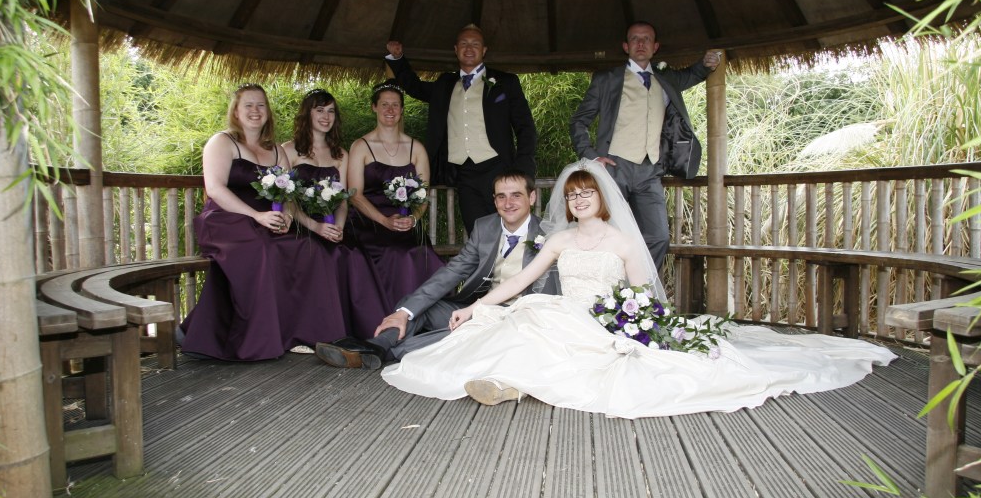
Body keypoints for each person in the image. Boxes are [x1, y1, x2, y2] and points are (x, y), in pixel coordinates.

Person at [381, 159, 897, 419]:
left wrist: (635, 325)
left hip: (606, 319)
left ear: (602, 201)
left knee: (552, 331)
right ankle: (505, 379)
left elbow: (644, 297)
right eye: (573, 195)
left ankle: (512, 384)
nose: (580, 201)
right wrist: (476, 309)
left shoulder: (627, 244)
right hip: (564, 312)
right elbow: (519, 279)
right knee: (525, 315)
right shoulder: (557, 240)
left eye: (587, 195)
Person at [315, 169, 559, 369]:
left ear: (532, 197)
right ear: (494, 200)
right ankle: (378, 344)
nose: (508, 203)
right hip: (474, 309)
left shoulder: (549, 235)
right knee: (415, 304)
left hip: (516, 321)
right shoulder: (485, 227)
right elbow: (451, 272)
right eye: (501, 196)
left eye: (516, 195)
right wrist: (404, 312)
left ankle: (377, 351)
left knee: (465, 333)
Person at [180, 83, 348, 361]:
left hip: (268, 219)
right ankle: (254, 338)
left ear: (268, 112)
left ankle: (299, 333)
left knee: (308, 249)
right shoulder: (222, 142)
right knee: (262, 249)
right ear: (235, 110)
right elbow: (216, 189)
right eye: (249, 105)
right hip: (226, 219)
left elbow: (289, 194)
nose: (255, 111)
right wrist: (257, 215)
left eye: (261, 105)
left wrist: (287, 218)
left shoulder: (275, 151)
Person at [569, 21, 721, 270]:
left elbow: (693, 74)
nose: (641, 43)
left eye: (646, 39)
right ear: (626, 46)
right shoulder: (607, 79)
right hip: (614, 168)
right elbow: (579, 121)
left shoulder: (666, 77)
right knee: (607, 235)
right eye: (635, 39)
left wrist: (705, 64)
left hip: (651, 171)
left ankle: (637, 296)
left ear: (655, 47)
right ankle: (606, 296)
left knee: (658, 237)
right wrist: (592, 157)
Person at [386, 24, 537, 230]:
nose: (469, 48)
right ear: (456, 49)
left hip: (499, 169)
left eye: (475, 44)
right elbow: (415, 87)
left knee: (510, 230)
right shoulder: (444, 84)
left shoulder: (505, 82)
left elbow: (525, 127)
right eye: (464, 44)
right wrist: (398, 59)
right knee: (477, 233)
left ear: (484, 50)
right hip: (463, 174)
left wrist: (522, 170)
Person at [283, 88, 385, 340]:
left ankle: (362, 330)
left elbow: (342, 200)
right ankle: (312, 332)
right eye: (319, 110)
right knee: (316, 254)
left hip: (332, 225)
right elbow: (286, 200)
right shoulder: (288, 150)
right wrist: (314, 227)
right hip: (300, 226)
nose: (326, 116)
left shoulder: (340, 154)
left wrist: (338, 226)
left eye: (330, 111)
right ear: (306, 114)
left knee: (351, 253)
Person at [344, 81, 445, 312]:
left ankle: (422, 316)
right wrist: (383, 221)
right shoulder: (360, 146)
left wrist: (414, 219)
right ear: (374, 108)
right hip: (368, 222)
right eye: (384, 104)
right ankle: (385, 316)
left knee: (420, 253)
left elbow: (423, 194)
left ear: (401, 110)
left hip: (405, 222)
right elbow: (355, 195)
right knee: (393, 254)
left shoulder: (416, 148)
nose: (390, 110)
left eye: (395, 105)